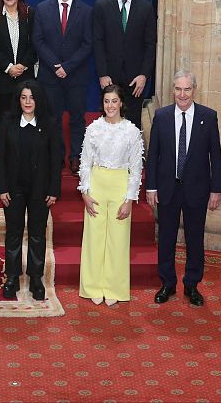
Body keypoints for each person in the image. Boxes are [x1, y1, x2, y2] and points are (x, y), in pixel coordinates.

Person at [146, 70, 221, 307]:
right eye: (178, 89)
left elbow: (216, 157)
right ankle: (167, 283)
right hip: (168, 189)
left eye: (187, 89)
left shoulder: (208, 117)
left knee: (194, 239)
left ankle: (192, 284)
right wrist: (151, 188)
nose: (182, 94)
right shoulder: (162, 116)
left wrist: (216, 189)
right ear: (173, 90)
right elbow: (153, 155)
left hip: (197, 190)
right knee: (166, 238)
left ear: (194, 90)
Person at [77, 84, 144, 306]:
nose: (110, 106)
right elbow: (85, 163)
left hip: (119, 185)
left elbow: (135, 169)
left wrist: (129, 200)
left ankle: (114, 287)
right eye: (107, 101)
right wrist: (85, 192)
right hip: (97, 183)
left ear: (121, 103)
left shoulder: (132, 131)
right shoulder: (93, 129)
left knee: (118, 239)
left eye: (114, 101)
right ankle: (93, 286)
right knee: (94, 238)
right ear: (102, 104)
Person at [0, 80, 60, 301]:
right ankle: (12, 277)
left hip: (40, 190)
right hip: (13, 189)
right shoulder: (7, 121)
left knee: (37, 234)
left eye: (32, 97)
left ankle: (36, 278)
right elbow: (0, 157)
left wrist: (54, 189)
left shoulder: (49, 123)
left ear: (38, 99)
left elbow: (55, 159)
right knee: (13, 233)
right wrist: (1, 187)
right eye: (23, 97)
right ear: (18, 100)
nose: (28, 102)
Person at [33, 0, 93, 175]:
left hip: (76, 75)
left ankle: (76, 156)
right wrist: (55, 65)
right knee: (52, 118)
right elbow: (38, 41)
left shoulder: (86, 11)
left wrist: (67, 67)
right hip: (50, 75)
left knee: (77, 118)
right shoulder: (42, 8)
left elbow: (87, 44)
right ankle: (56, 156)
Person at [93, 0, 157, 128]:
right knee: (110, 122)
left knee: (132, 123)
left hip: (135, 79)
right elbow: (97, 42)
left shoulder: (146, 8)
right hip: (109, 77)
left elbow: (150, 44)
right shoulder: (101, 6)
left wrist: (144, 75)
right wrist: (102, 74)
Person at [0, 0, 37, 122]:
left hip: (25, 77)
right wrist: (9, 67)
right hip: (2, 78)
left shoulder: (30, 14)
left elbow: (35, 44)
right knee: (4, 119)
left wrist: (22, 66)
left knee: (25, 119)